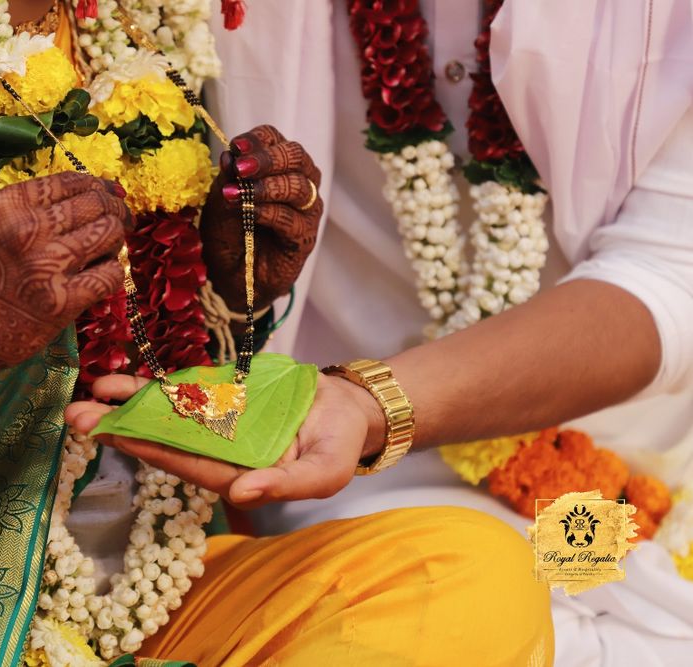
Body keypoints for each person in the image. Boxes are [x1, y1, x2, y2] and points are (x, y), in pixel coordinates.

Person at [0, 1, 553, 665]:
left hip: (137, 596)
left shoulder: (132, 32)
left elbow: (118, 369)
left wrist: (227, 297)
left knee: (472, 574)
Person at [72, 1, 693, 665]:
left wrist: (368, 403)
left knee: (635, 624)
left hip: (635, 469)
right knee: (465, 606)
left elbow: (668, 269)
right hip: (352, 482)